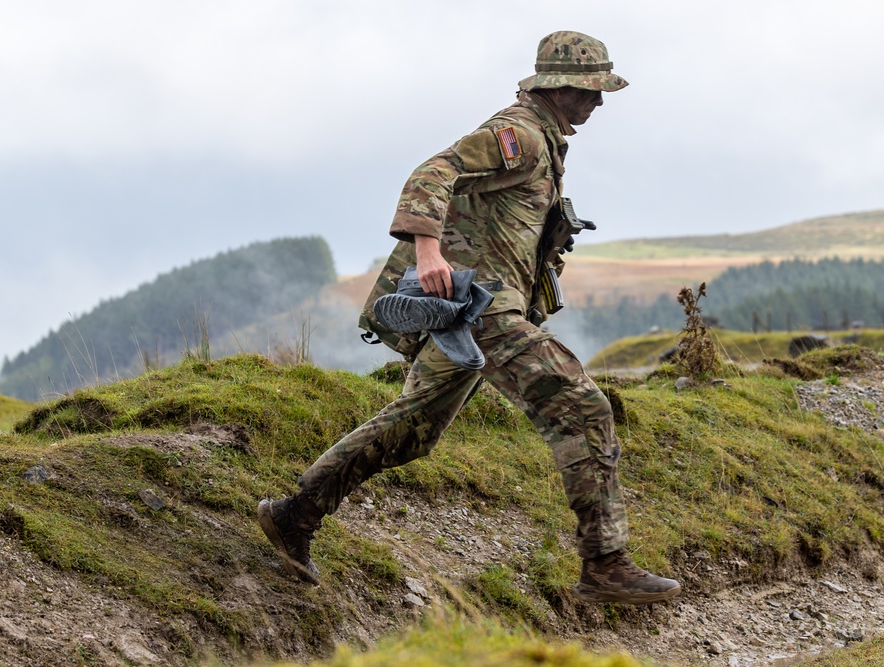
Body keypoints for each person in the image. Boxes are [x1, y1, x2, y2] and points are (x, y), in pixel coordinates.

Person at [258, 30, 681, 606]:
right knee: (584, 408)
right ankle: (605, 564)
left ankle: (293, 515)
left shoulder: (547, 141)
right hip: (485, 310)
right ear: (557, 86)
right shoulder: (521, 136)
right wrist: (427, 251)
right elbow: (434, 170)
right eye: (589, 89)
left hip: (473, 313)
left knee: (412, 431)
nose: (598, 102)